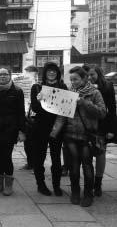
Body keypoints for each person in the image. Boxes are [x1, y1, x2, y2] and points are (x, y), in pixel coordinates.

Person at [50, 66, 106, 207]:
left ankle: (88, 194)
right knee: (73, 166)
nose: (73, 82)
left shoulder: (94, 93)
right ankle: (75, 192)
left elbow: (102, 112)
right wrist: (54, 132)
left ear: (84, 78)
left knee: (87, 166)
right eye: (71, 79)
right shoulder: (68, 93)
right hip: (70, 135)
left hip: (87, 136)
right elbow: (61, 115)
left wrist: (84, 103)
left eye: (76, 79)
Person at [0, 67, 26, 195]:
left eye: (5, 74)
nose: (2, 76)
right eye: (0, 74)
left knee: (6, 157)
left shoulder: (17, 91)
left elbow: (20, 113)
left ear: (10, 75)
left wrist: (21, 131)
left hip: (10, 129)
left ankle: (8, 185)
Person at [31, 62, 67, 196]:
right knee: (39, 158)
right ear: (44, 73)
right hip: (40, 127)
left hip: (57, 127)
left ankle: (56, 186)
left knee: (56, 158)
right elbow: (35, 108)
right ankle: (41, 185)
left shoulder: (63, 87)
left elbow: (65, 107)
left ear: (57, 73)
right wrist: (41, 99)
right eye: (49, 71)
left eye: (54, 71)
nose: (52, 73)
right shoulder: (37, 87)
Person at [85, 65, 116, 197]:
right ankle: (90, 181)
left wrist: (111, 129)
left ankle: (98, 183)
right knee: (87, 154)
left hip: (102, 126)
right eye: (88, 75)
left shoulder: (107, 87)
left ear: (99, 74)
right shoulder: (85, 87)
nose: (90, 77)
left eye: (93, 74)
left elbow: (112, 110)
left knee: (100, 153)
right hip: (88, 125)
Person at [21, 65, 39, 170]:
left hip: (34, 117)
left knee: (34, 143)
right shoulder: (24, 84)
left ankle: (35, 164)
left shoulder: (38, 85)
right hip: (26, 115)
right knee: (27, 142)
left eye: (27, 72)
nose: (25, 75)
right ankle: (30, 163)